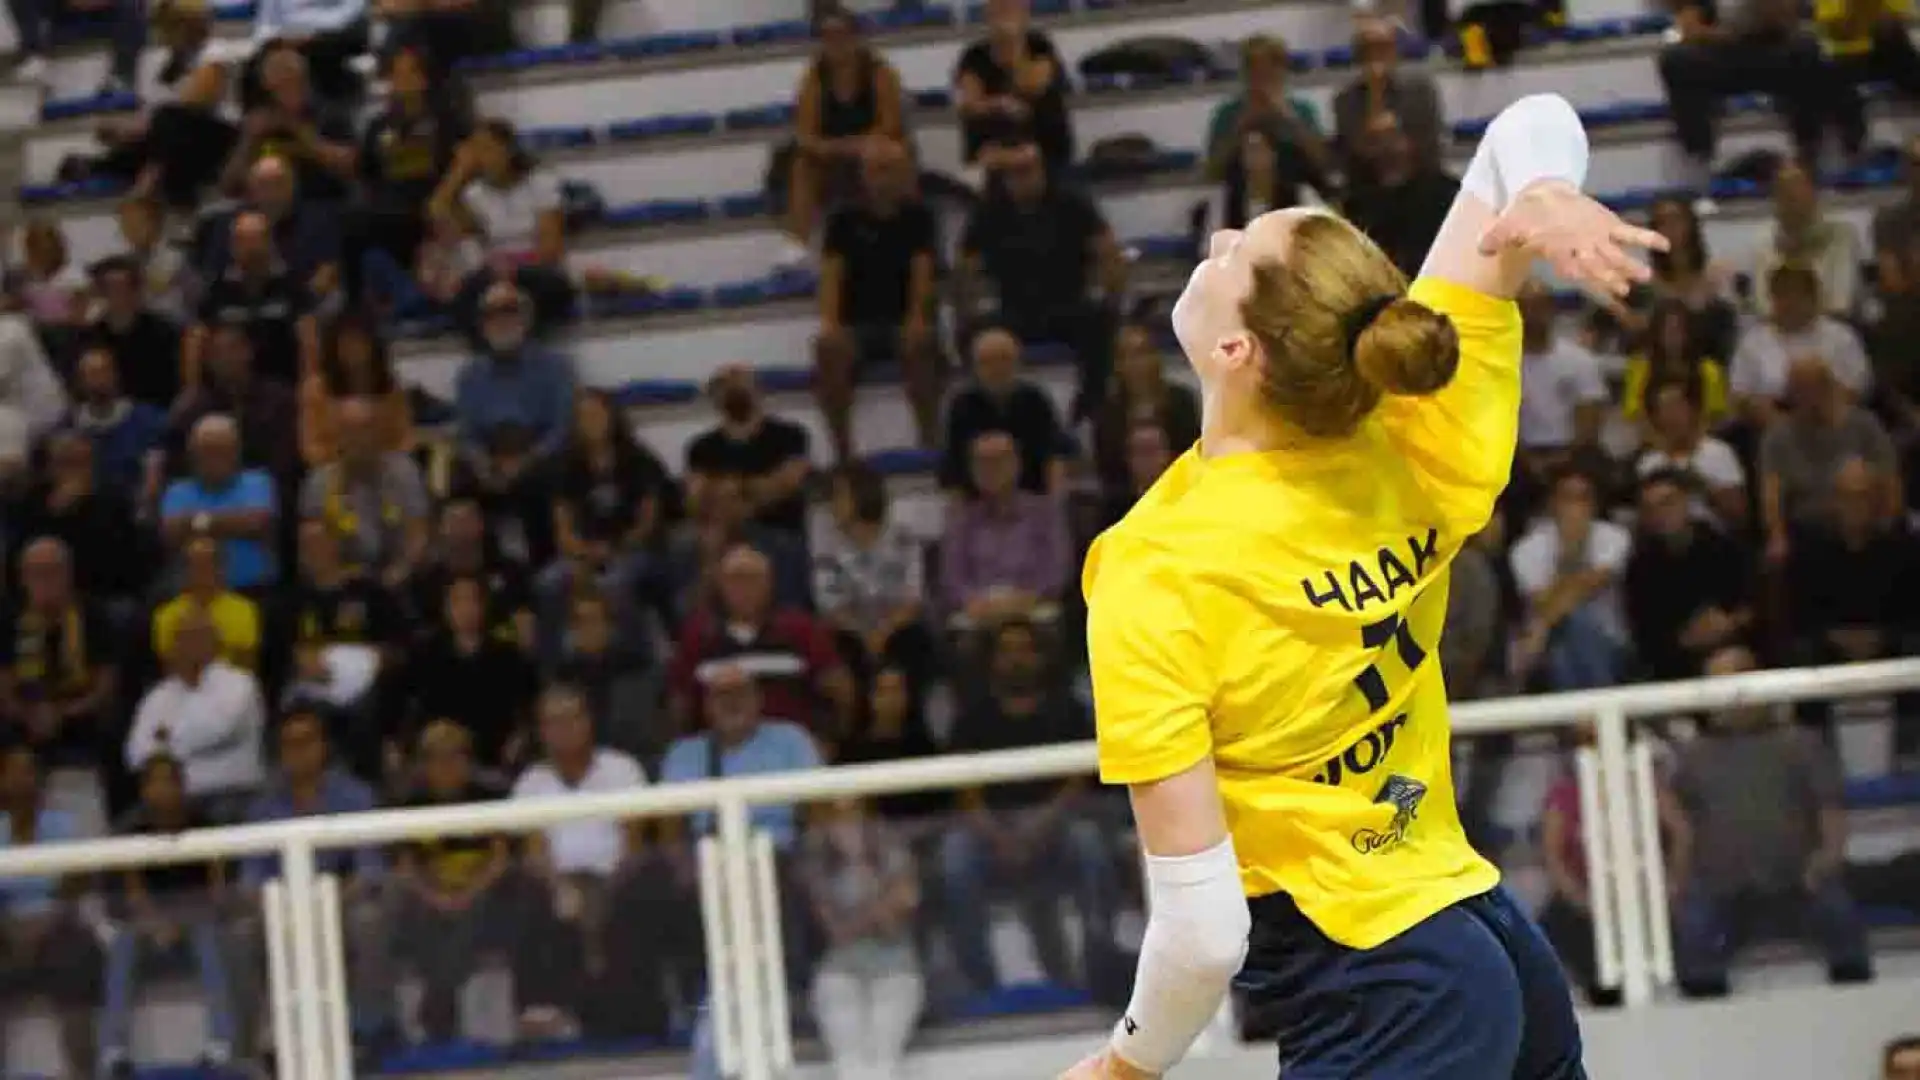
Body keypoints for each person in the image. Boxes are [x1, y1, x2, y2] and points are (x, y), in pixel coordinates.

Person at [1060, 93, 1664, 1079]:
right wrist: (1548, 192)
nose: (1213, 237)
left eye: (1233, 250)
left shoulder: (1155, 569)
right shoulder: (1417, 426)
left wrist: (1125, 1065)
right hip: (1484, 934)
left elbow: (1205, 929)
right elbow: (1533, 122)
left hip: (1381, 980)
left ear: (1235, 350)